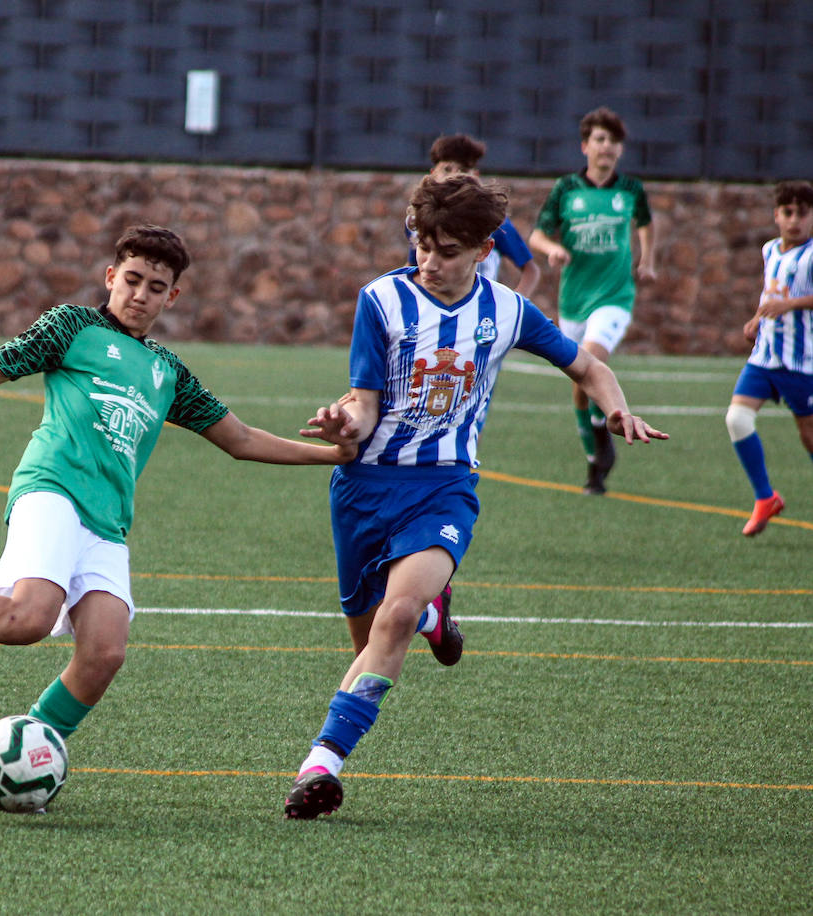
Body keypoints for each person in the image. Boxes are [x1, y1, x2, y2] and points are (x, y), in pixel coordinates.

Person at [0, 224, 358, 808]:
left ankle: (24, 755)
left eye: (157, 286)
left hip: (107, 524)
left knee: (104, 653)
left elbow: (241, 438)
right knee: (27, 617)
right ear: (111, 277)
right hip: (51, 490)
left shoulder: (169, 373)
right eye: (132, 279)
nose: (141, 294)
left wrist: (332, 455)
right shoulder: (70, 327)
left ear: (172, 297)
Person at [283, 174, 667, 820]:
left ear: (485, 248)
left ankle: (319, 765)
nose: (430, 261)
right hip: (363, 490)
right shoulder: (380, 301)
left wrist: (617, 410)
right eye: (421, 245)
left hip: (444, 489)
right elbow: (366, 402)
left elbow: (589, 367)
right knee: (368, 643)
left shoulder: (508, 312)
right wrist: (343, 423)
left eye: (448, 250)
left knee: (395, 618)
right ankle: (438, 619)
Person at [528, 106, 659, 495]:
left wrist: (647, 260)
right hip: (574, 299)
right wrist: (553, 249)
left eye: (614, 141)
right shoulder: (566, 189)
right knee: (578, 379)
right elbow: (537, 234)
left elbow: (647, 224)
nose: (607, 147)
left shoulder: (630, 190)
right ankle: (594, 454)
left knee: (591, 356)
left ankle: (602, 438)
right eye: (600, 140)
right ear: (585, 146)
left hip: (615, 296)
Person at [725, 180, 813, 536]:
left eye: (803, 214)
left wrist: (788, 305)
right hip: (765, 357)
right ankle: (765, 498)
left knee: (808, 436)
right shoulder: (769, 251)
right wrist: (757, 319)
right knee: (737, 419)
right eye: (787, 213)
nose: (794, 220)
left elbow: (787, 299)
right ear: (776, 216)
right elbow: (771, 294)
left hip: (801, 362)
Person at [406, 133, 541, 298]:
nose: (454, 176)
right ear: (433, 173)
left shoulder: (493, 224)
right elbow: (412, 267)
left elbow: (530, 270)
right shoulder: (419, 220)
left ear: (475, 175)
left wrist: (515, 308)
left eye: (462, 170)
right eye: (447, 169)